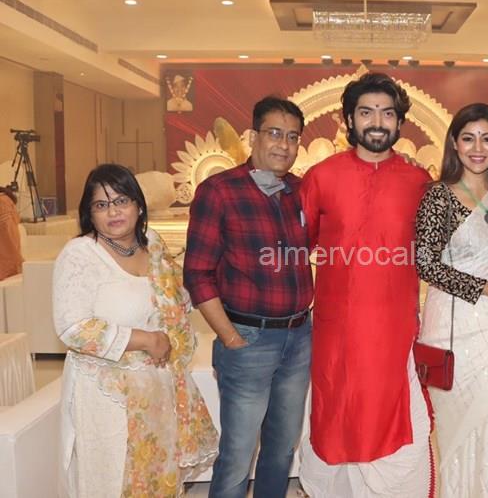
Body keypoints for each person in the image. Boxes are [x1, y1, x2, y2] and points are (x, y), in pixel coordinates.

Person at [298, 72, 433, 497]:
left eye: (387, 114)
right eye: (366, 112)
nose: (377, 122)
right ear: (349, 120)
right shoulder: (321, 177)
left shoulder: (418, 182)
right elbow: (299, 248)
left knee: (394, 419)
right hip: (336, 329)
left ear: (400, 122)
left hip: (395, 329)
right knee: (335, 415)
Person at [52, 164, 217, 497]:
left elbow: (176, 298)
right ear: (89, 214)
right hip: (106, 395)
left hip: (157, 388)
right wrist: (146, 339)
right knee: (110, 480)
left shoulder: (152, 245)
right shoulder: (81, 254)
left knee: (155, 477)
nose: (113, 211)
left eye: (121, 201)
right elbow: (72, 327)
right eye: (101, 205)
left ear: (139, 205)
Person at [184, 96, 313, 498]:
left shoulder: (301, 191)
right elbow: (197, 272)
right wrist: (229, 337)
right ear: (253, 136)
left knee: (282, 449)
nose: (284, 145)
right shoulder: (219, 191)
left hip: (298, 338)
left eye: (292, 137)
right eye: (274, 133)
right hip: (247, 339)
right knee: (238, 456)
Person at [415, 103, 488, 497]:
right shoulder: (439, 196)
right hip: (455, 328)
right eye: (468, 138)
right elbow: (425, 265)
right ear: (454, 143)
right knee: (459, 427)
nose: (478, 148)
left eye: (487, 138)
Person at [0, 185, 23, 280]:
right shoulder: (5, 200)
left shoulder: (3, 202)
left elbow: (8, 238)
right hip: (13, 267)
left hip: (7, 270)